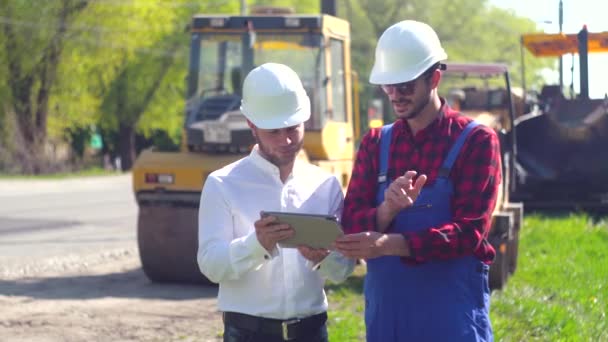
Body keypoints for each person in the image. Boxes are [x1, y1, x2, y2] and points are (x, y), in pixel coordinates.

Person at [334, 20, 501, 341]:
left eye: (406, 86)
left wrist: (391, 245)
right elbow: (351, 221)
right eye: (388, 86)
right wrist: (387, 210)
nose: (395, 95)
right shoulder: (374, 143)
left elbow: (470, 231)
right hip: (388, 320)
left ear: (434, 78)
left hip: (452, 320)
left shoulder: (476, 141)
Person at [197, 62, 354, 342]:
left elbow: (343, 270)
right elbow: (210, 265)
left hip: (311, 331)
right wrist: (256, 245)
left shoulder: (325, 185)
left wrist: (325, 259)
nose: (287, 139)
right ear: (252, 125)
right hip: (248, 333)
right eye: (274, 131)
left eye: (293, 128)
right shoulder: (222, 184)